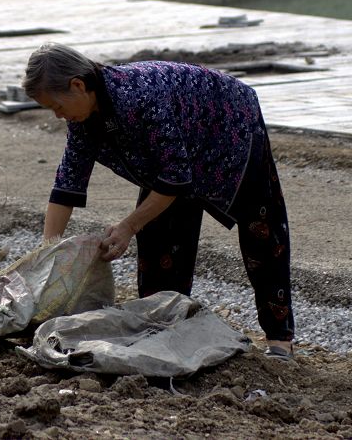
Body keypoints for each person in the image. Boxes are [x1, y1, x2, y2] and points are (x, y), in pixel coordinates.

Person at [22, 43, 295, 360]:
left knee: (261, 227)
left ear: (78, 85)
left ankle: (279, 338)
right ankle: (166, 325)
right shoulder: (82, 119)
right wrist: (48, 254)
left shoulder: (139, 97)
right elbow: (67, 183)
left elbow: (175, 179)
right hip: (173, 154)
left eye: (56, 106)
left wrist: (127, 226)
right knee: (160, 240)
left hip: (227, 124)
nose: (57, 115)